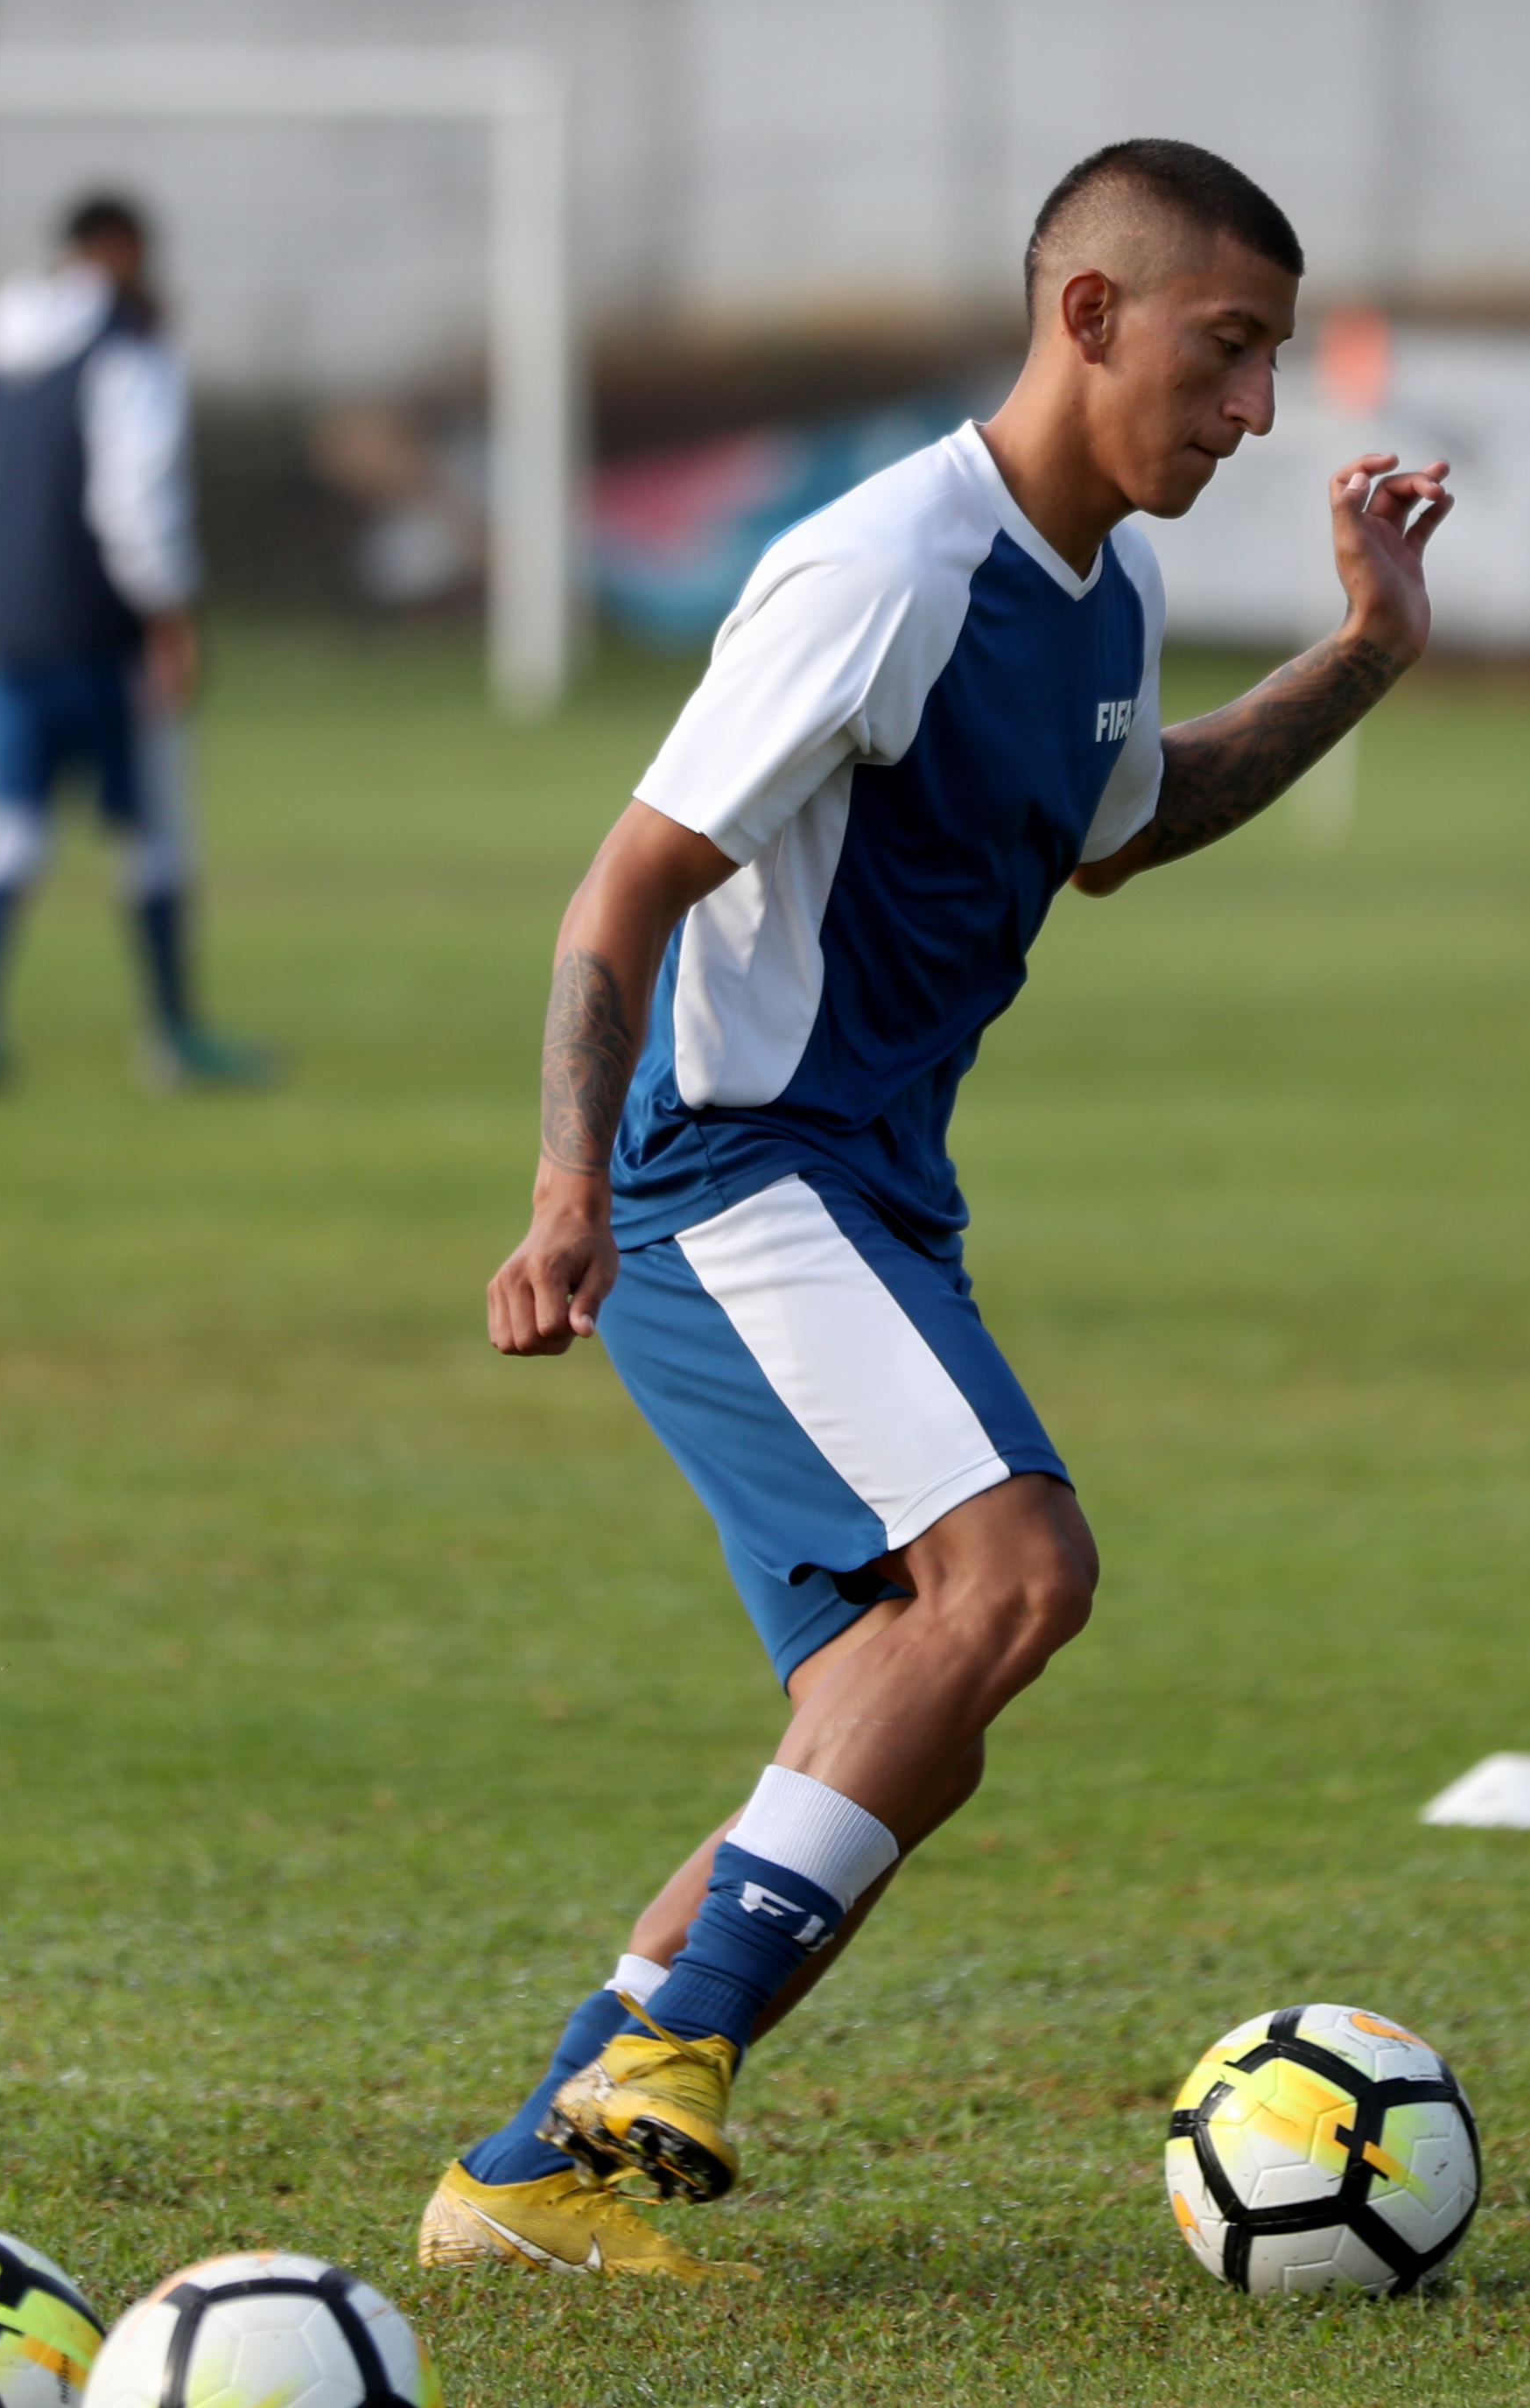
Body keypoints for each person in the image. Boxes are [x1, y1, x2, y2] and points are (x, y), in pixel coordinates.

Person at [418, 138, 1452, 2282]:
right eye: (1223, 346)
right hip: (727, 1172)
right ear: (1086, 314)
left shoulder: (1103, 587)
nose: (1254, 408)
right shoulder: (885, 560)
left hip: (872, 1190)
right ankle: (665, 2052)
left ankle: (527, 2170)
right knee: (1013, 1568)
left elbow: (1123, 818)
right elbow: (627, 878)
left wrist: (1365, 648)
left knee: (907, 1710)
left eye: (1266, 356)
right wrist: (560, 1189)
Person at [0, 192, 268, 1092]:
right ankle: (173, 1035)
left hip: (9, 630)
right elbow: (135, 496)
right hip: (101, 631)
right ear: (119, 248)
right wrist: (171, 617)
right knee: (151, 834)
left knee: (6, 827)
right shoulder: (124, 348)